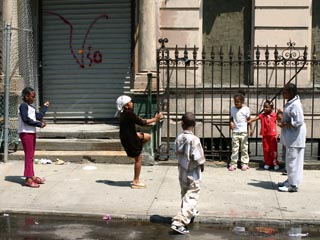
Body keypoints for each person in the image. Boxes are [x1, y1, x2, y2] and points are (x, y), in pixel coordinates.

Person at [116, 95, 162, 189]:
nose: (132, 103)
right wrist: (155, 119)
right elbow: (142, 122)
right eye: (130, 102)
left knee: (147, 137)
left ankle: (134, 153)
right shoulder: (128, 113)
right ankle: (135, 182)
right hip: (130, 140)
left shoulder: (125, 113)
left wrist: (136, 134)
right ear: (126, 105)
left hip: (129, 137)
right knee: (139, 158)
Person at [171, 112, 206, 235]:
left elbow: (176, 152)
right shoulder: (194, 139)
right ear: (194, 124)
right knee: (192, 193)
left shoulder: (179, 138)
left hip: (182, 169)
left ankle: (190, 211)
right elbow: (198, 157)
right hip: (192, 171)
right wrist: (202, 165)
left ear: (182, 124)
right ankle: (179, 222)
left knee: (185, 192)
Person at [277, 83, 306, 192]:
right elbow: (291, 116)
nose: (283, 93)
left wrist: (284, 124)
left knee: (293, 161)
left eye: (285, 91)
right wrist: (282, 114)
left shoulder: (296, 105)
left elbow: (298, 121)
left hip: (295, 137)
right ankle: (290, 180)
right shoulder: (291, 103)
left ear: (291, 93)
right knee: (290, 160)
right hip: (291, 137)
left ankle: (292, 185)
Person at [18, 87, 49, 188]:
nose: (34, 99)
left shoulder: (31, 107)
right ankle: (28, 178)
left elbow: (38, 116)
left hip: (31, 133)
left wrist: (44, 107)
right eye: (32, 96)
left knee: (31, 156)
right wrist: (39, 124)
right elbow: (25, 119)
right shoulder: (23, 106)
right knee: (29, 156)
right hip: (25, 133)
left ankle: (32, 176)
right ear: (26, 96)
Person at [248, 100, 279, 170]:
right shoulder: (262, 115)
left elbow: (280, 118)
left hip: (273, 135)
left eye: (266, 107)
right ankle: (267, 162)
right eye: (264, 107)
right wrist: (250, 121)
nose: (264, 108)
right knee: (266, 150)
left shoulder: (274, 115)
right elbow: (256, 118)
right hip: (265, 135)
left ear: (271, 108)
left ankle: (275, 162)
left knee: (274, 150)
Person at [229, 91, 253, 171]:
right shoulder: (232, 109)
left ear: (242, 102)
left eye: (238, 102)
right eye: (235, 102)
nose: (236, 103)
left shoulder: (246, 109)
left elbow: (249, 120)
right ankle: (233, 163)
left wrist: (251, 129)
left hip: (243, 132)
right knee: (235, 148)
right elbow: (231, 118)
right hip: (235, 131)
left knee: (244, 148)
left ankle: (244, 163)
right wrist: (231, 122)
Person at [276, 111, 287, 175]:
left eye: (280, 119)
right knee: (285, 155)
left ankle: (287, 169)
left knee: (288, 156)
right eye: (277, 120)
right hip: (285, 144)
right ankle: (286, 168)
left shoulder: (287, 127)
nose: (278, 122)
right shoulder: (284, 128)